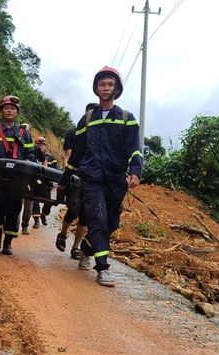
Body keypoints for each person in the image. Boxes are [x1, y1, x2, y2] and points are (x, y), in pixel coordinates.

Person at [60, 66, 142, 286]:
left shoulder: (127, 118)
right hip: (92, 178)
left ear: (117, 89)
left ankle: (87, 248)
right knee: (96, 218)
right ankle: (102, 268)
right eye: (102, 84)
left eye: (110, 84)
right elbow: (76, 154)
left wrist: (136, 170)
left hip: (116, 179)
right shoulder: (87, 119)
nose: (106, 88)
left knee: (111, 223)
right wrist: (64, 180)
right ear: (96, 88)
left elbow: (134, 148)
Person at [0, 95, 35, 254]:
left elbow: (30, 154)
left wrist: (28, 173)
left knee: (14, 209)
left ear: (17, 112)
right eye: (6, 108)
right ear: (1, 111)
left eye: (13, 108)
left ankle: (8, 242)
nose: (9, 110)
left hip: (17, 179)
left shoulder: (24, 133)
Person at [56, 103, 97, 270]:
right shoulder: (75, 132)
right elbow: (69, 155)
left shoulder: (103, 134)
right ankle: (63, 234)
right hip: (77, 174)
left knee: (86, 215)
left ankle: (76, 247)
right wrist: (65, 178)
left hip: (94, 178)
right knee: (73, 209)